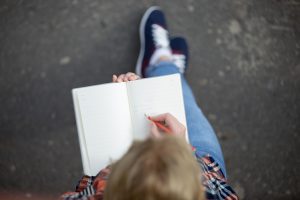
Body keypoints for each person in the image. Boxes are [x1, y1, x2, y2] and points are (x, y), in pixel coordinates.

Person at [61, 6, 238, 200]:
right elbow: (215, 185)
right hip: (198, 166)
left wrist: (129, 146)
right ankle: (163, 65)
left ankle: (162, 64)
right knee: (186, 105)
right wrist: (180, 149)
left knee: (177, 97)